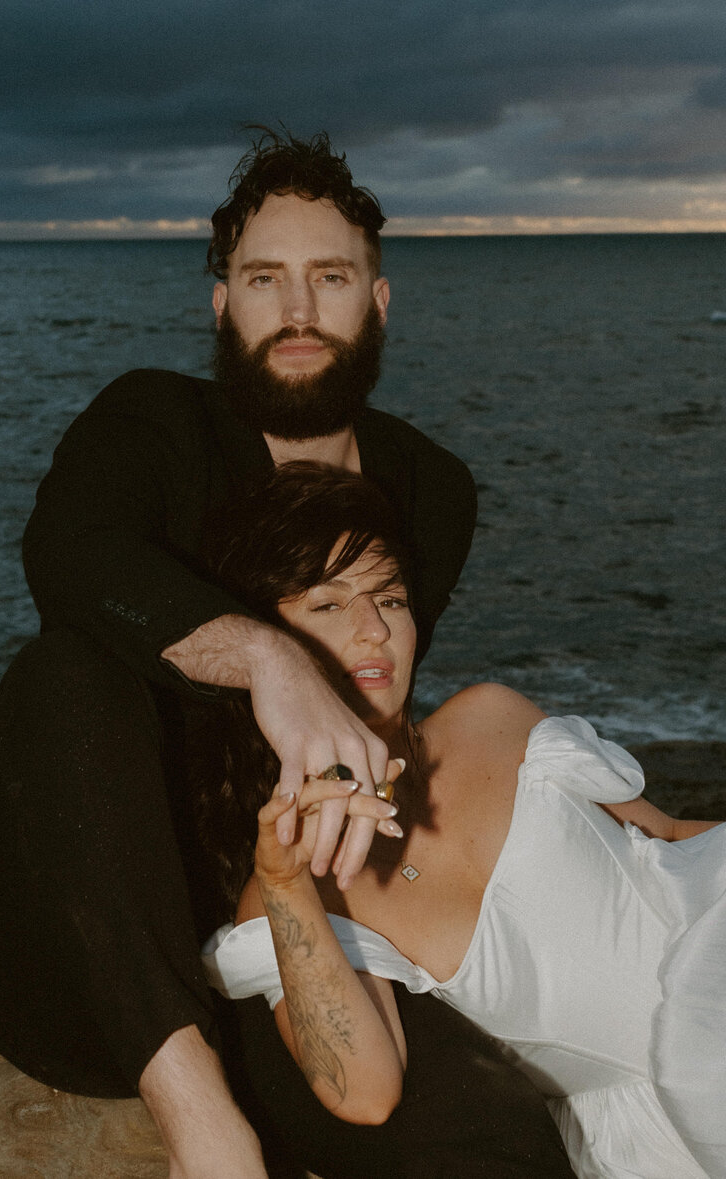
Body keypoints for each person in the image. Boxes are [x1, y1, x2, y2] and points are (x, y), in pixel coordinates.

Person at [0, 129, 575, 1179]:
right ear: (219, 305)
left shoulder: (431, 491)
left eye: (328, 278)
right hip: (79, 953)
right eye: (261, 279)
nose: (295, 311)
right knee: (62, 674)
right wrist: (268, 660)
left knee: (506, 1137)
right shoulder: (152, 423)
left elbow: (380, 715)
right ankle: (204, 1128)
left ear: (376, 303)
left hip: (270, 944)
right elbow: (68, 554)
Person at [200, 462, 726, 1179]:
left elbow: (664, 837)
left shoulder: (489, 717)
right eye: (328, 604)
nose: (375, 627)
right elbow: (365, 1093)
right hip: (673, 1123)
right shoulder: (296, 888)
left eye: (390, 596)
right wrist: (287, 882)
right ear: (267, 654)